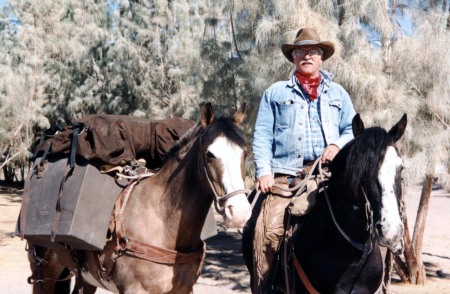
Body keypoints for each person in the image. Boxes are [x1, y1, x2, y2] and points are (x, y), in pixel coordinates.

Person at [251, 27, 356, 293]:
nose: (307, 56)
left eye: (313, 52)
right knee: (267, 232)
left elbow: (352, 130)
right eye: (301, 52)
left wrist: (336, 144)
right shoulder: (274, 93)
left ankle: (370, 280)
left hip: (329, 175)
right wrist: (263, 171)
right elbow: (262, 135)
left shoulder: (338, 94)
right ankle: (265, 287)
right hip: (286, 177)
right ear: (293, 57)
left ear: (322, 58)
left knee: (365, 219)